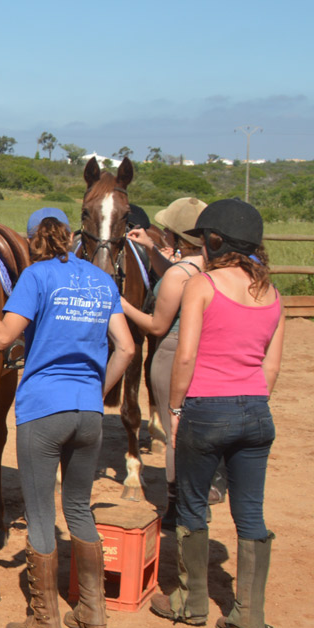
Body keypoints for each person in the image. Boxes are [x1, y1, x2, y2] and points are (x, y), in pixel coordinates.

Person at [0, 207, 135, 628]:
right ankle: (92, 613)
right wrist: (96, 392)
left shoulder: (36, 278)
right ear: (71, 236)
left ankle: (45, 622)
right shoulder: (102, 282)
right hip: (90, 414)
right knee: (79, 508)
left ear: (33, 241)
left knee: (41, 514)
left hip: (44, 409)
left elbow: (3, 337)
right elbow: (128, 348)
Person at [150, 199, 284, 628]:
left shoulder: (202, 286)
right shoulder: (272, 293)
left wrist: (174, 410)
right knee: (250, 512)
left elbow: (185, 355)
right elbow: (271, 368)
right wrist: (251, 401)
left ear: (213, 241)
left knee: (191, 504)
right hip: (256, 411)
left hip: (207, 408)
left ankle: (191, 604)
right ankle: (249, 614)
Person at [124, 198, 207, 527]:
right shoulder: (207, 266)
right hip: (203, 352)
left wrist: (122, 304)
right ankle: (199, 495)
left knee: (173, 429)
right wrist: (152, 251)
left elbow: (156, 326)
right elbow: (174, 276)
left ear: (175, 237)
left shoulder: (180, 274)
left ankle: (174, 505)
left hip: (172, 351)